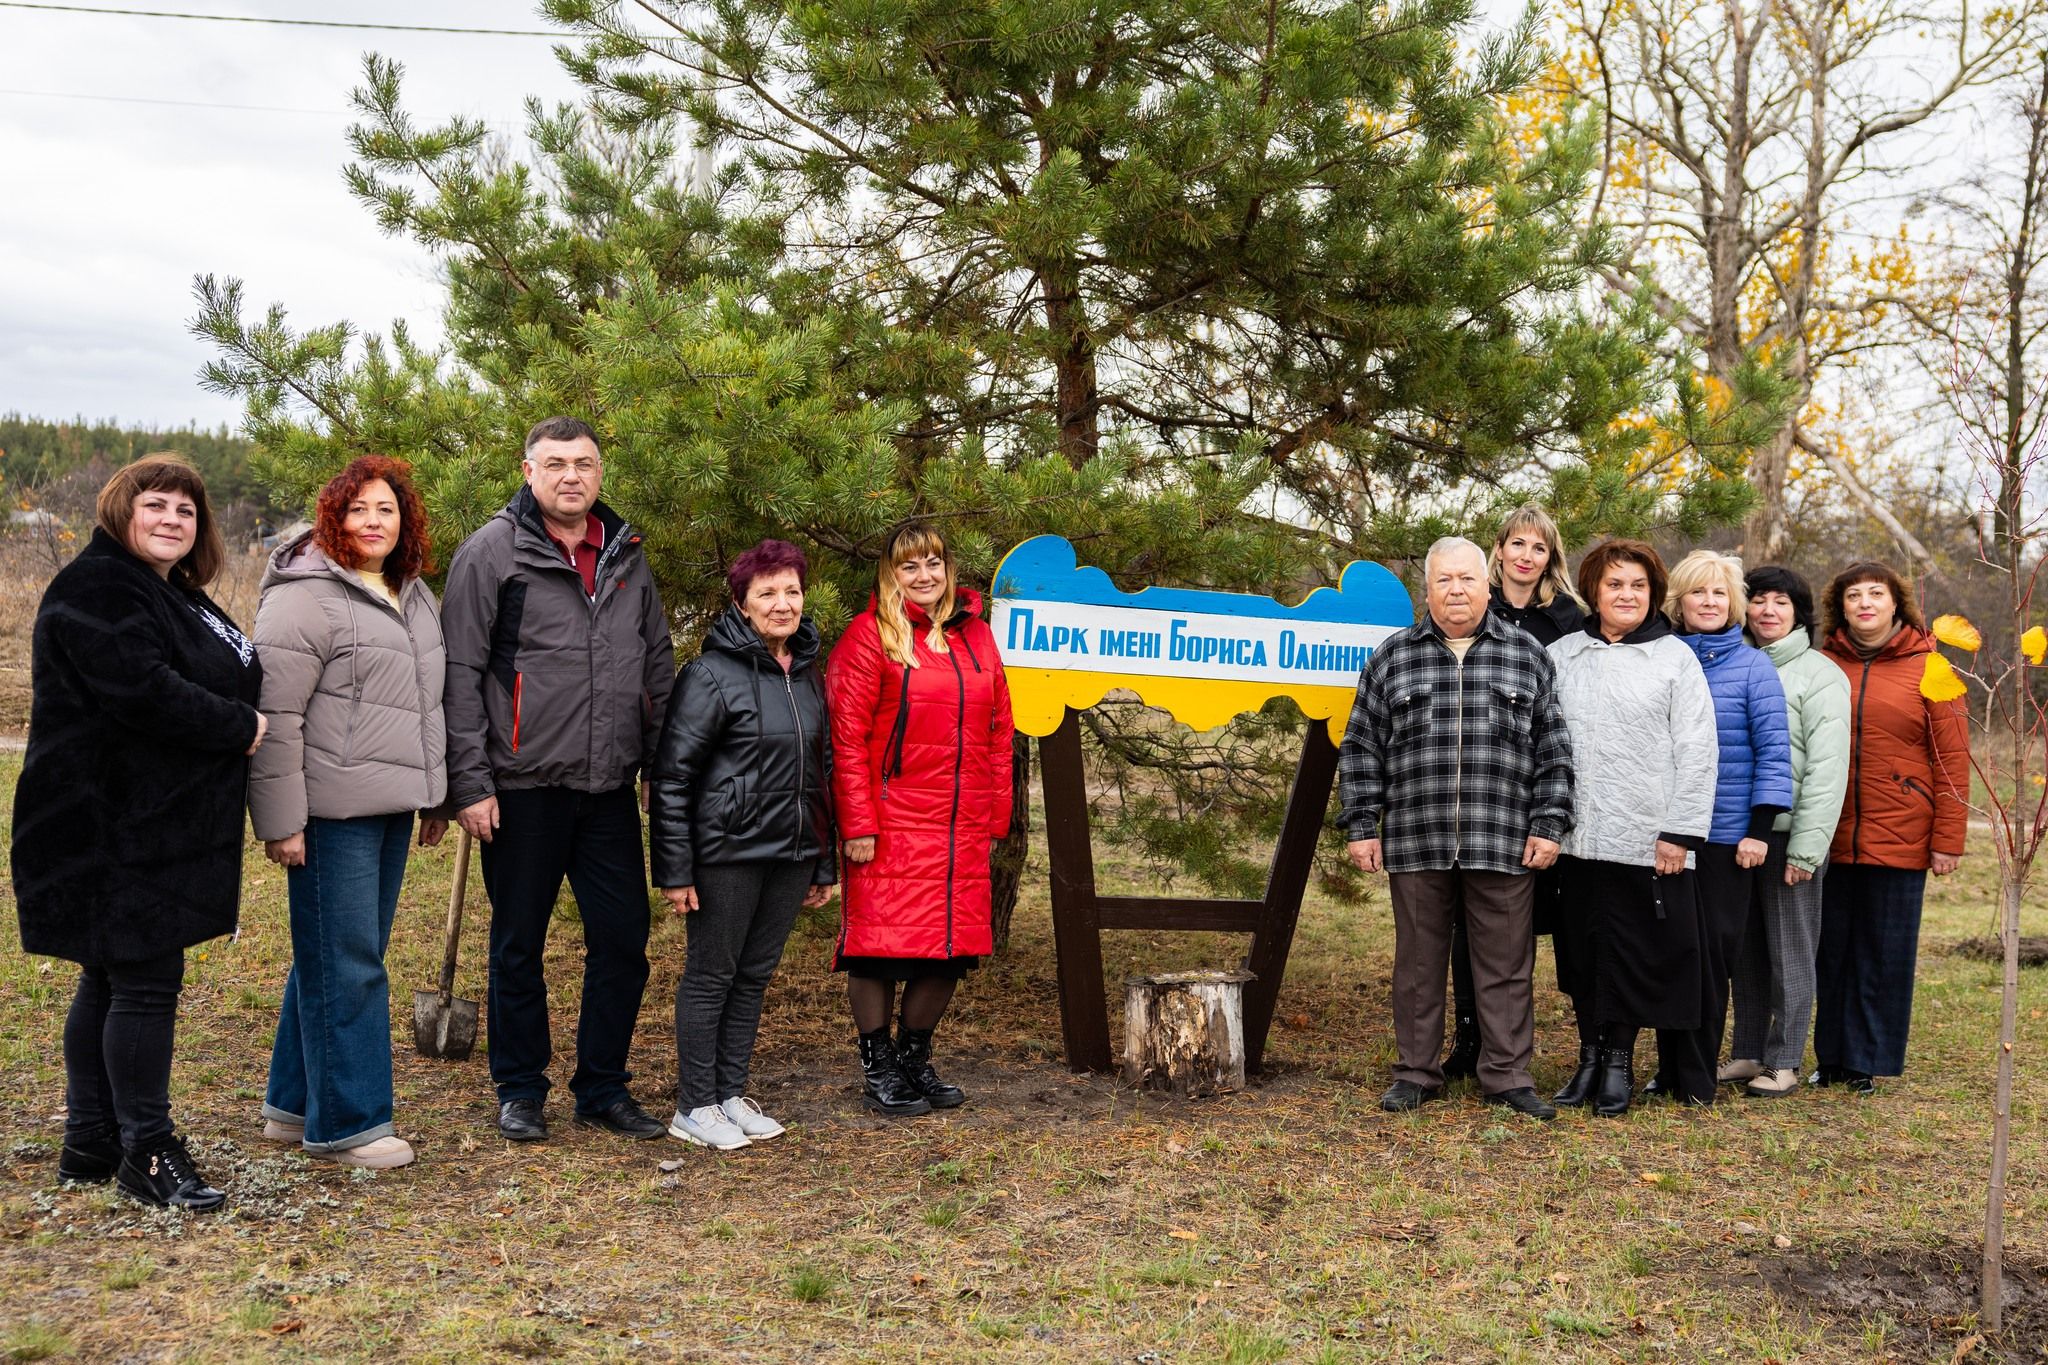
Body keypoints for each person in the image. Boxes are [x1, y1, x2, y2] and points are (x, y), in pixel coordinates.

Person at [13, 454, 265, 1210]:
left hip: (146, 822)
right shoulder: (97, 585)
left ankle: (92, 1138)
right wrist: (241, 724)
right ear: (121, 510)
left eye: (185, 511)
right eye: (156, 505)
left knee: (111, 974)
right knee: (147, 983)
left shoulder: (169, 591)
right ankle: (147, 1150)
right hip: (106, 825)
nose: (171, 521)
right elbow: (141, 689)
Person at [441, 417, 676, 1142]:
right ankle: (521, 1086)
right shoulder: (491, 554)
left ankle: (602, 1086)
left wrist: (657, 768)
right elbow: (458, 673)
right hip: (520, 787)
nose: (571, 476)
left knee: (623, 939)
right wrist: (470, 781)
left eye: (584, 463)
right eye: (556, 464)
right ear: (528, 470)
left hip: (606, 787)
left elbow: (656, 664)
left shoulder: (628, 555)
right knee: (519, 942)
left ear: (600, 473)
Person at [248, 456, 448, 1170]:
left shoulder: (411, 593)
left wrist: (435, 793)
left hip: (393, 803)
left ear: (404, 521)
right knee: (350, 962)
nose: (373, 520)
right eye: (359, 508)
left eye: (386, 509)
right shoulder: (306, 595)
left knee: (332, 958)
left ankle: (293, 1103)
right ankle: (350, 1124)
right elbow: (275, 716)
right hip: (332, 812)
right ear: (335, 515)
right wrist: (282, 820)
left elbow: (428, 701)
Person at [1339, 537, 1575, 1119]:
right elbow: (1362, 746)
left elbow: (1555, 750)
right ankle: (1416, 1073)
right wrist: (1361, 823)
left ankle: (1507, 1076)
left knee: (1506, 965)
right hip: (1418, 838)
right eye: (1444, 580)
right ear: (1428, 589)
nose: (1456, 590)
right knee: (1417, 964)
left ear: (1487, 585)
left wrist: (1549, 823)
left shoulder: (1525, 655)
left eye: (1467, 579)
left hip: (1503, 838)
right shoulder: (1394, 657)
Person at [648, 540, 836, 1149]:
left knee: (753, 976)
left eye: (792, 591)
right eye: (767, 593)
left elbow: (821, 770)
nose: (782, 605)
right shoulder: (709, 674)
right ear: (742, 603)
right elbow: (672, 777)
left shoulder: (806, 673)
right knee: (712, 976)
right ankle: (694, 1105)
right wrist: (675, 870)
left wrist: (822, 859)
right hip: (726, 853)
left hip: (791, 852)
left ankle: (729, 1093)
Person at [827, 521, 1014, 1117]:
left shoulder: (978, 637)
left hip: (958, 826)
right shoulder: (869, 636)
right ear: (890, 574)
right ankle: (878, 1067)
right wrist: (856, 823)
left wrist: (993, 821)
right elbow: (847, 739)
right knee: (879, 950)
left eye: (933, 562)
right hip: (892, 822)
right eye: (910, 566)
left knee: (950, 950)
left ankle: (913, 1059)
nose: (925, 575)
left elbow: (999, 734)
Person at [1546, 539, 1718, 1116]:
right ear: (1594, 589)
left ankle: (1618, 1062)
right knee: (1582, 952)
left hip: (1647, 839)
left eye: (1638, 586)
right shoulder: (1564, 653)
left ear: (1654, 593)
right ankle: (1588, 1057)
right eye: (1615, 584)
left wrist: (1680, 832)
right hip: (1574, 837)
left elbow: (1698, 751)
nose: (1627, 595)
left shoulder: (1675, 659)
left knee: (1634, 952)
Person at [1426, 503, 1589, 1081]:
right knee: (1467, 928)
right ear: (1498, 550)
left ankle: (1517, 1045)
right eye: (1517, 544)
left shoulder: (1568, 620)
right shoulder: (1474, 604)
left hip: (1538, 791)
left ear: (1551, 558)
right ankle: (1469, 1034)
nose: (1526, 556)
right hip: (1474, 803)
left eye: (1538, 548)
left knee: (1523, 932)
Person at [1812, 561, 1968, 1093]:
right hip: (1829, 834)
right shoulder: (1824, 664)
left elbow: (1952, 759)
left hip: (1902, 833)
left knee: (1882, 952)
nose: (1865, 604)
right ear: (1841, 606)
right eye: (1853, 595)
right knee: (1830, 950)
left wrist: (1948, 841)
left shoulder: (1932, 668)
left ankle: (1863, 1061)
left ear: (1895, 602)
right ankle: (1828, 1057)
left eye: (1875, 593)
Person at [1653, 550, 1792, 1103]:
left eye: (1719, 593)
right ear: (1679, 602)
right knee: (1668, 954)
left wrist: (1758, 830)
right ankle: (1667, 1071)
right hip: (1664, 836)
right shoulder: (1662, 658)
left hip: (1727, 839)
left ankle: (1696, 1077)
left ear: (1733, 603)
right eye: (1697, 592)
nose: (1708, 602)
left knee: (1711, 960)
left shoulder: (1754, 667)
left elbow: (1774, 754)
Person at [1725, 566, 1850, 1097]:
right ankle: (1749, 1052)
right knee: (1745, 949)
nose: (1768, 611)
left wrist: (1807, 845)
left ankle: (1786, 1058)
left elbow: (1827, 770)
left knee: (1790, 949)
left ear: (1799, 613)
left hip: (1789, 834)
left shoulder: (1820, 674)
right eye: (1758, 601)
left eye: (1781, 602)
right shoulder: (1739, 664)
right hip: (1739, 829)